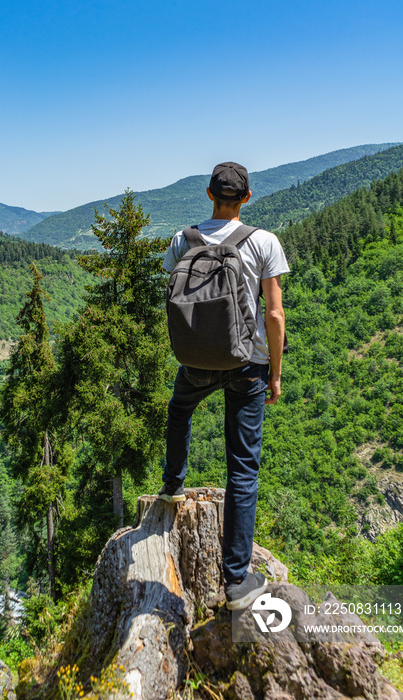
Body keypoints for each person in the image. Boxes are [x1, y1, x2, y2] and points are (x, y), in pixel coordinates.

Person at [159, 161, 289, 610]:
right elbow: (273, 314)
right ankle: (236, 582)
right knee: (243, 468)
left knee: (179, 411)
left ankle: (173, 484)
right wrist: (274, 371)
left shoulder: (183, 239)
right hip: (247, 363)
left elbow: (177, 294)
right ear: (246, 199)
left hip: (195, 359)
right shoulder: (263, 242)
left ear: (209, 193)